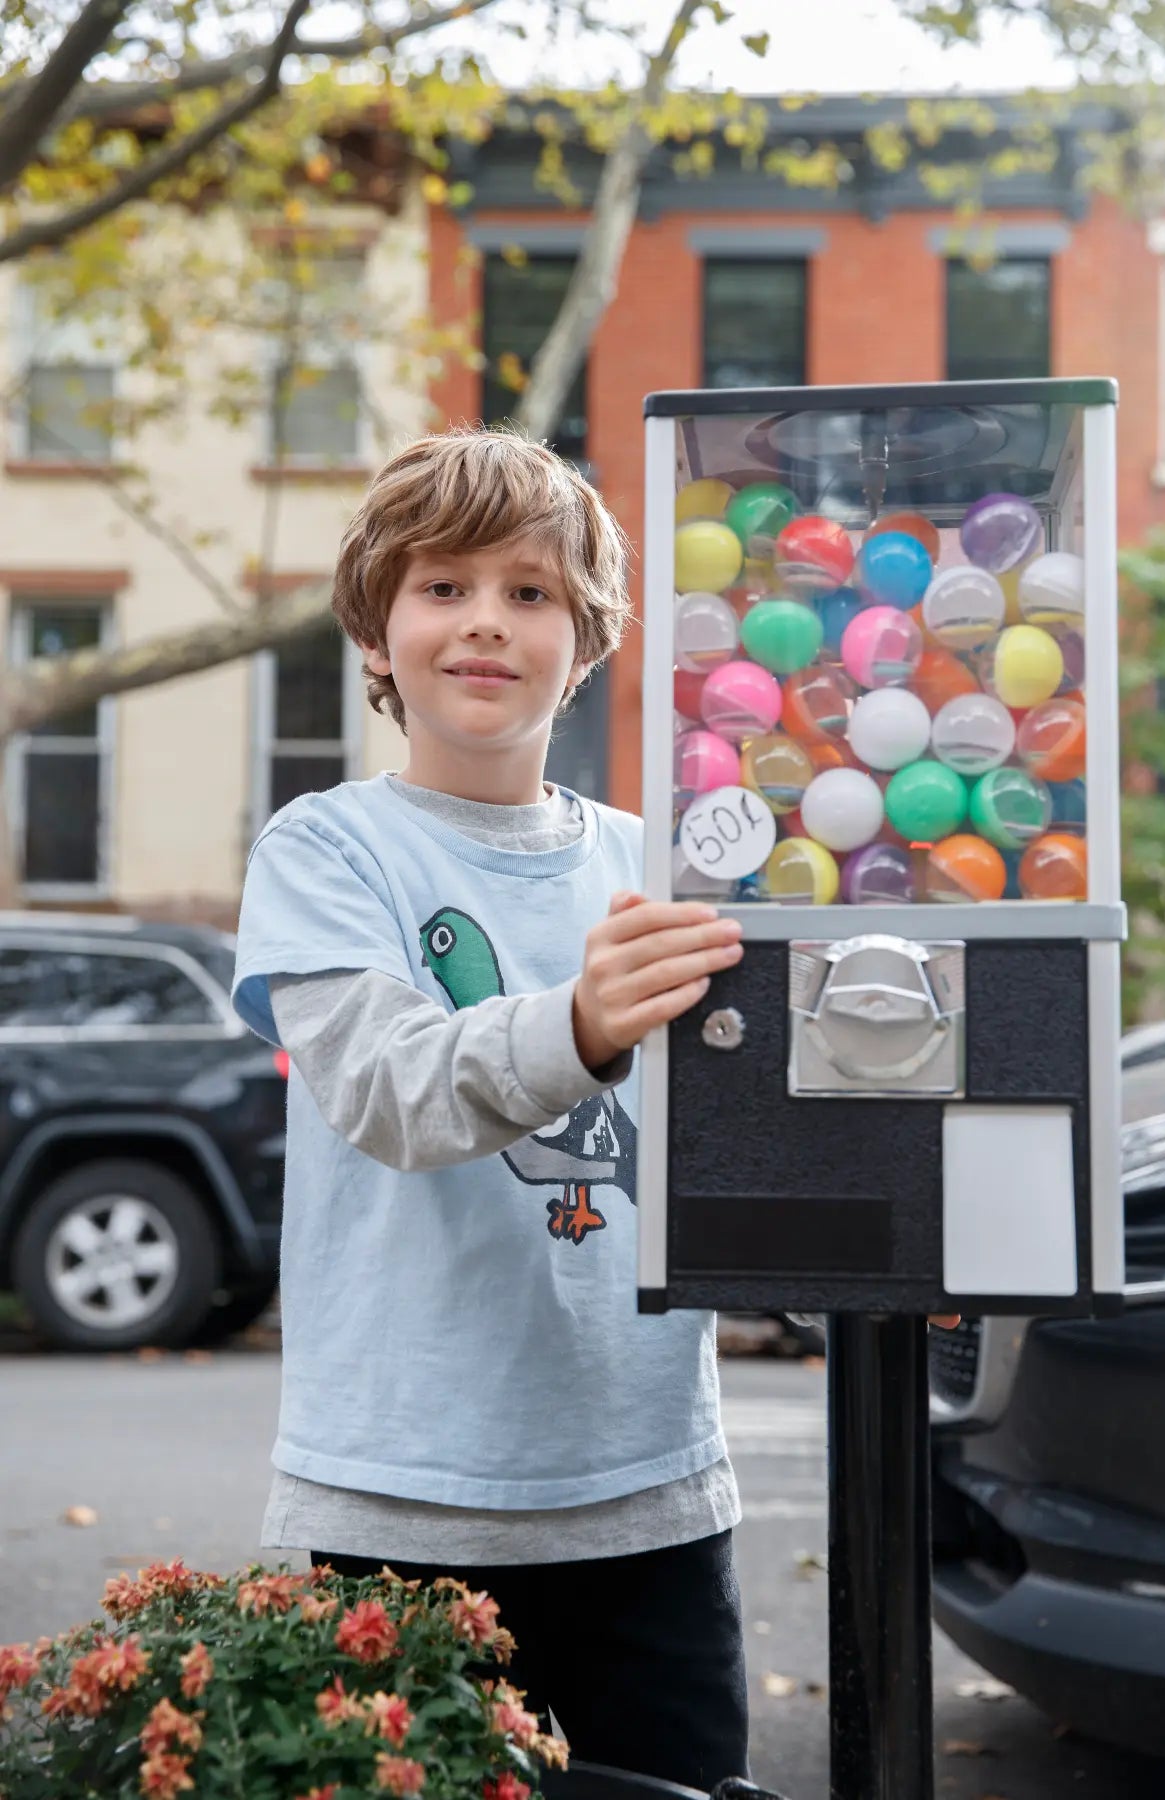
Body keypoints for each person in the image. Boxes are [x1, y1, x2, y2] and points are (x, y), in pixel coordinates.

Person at [231, 426, 753, 1790]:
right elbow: (390, 1088)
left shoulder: (658, 862)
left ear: (585, 643)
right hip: (408, 1494)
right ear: (378, 624)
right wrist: (581, 1025)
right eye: (443, 586)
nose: (485, 623)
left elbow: (736, 1153)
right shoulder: (327, 848)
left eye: (531, 593)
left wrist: (891, 1262)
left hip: (648, 1489)